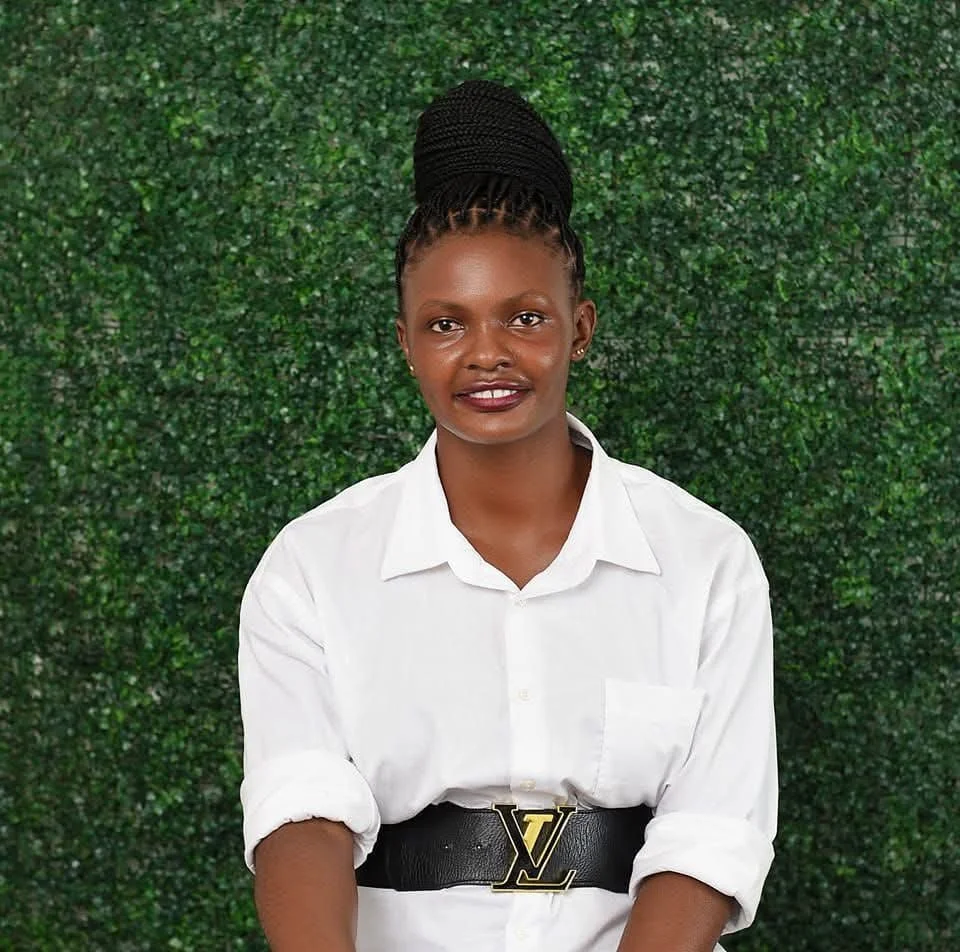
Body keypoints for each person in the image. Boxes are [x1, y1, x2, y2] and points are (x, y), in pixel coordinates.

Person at [238, 79, 777, 952]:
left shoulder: (704, 559)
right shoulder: (313, 566)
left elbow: (710, 834)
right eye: (446, 324)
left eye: (524, 317)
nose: (486, 353)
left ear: (581, 327)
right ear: (407, 341)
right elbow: (300, 810)